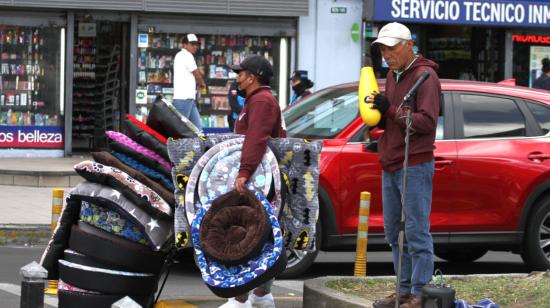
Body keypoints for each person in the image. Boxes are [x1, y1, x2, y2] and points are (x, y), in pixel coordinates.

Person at [367, 22, 441, 308]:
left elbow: (426, 123)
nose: (386, 53)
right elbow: (396, 119)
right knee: (393, 232)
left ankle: (419, 293)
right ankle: (403, 288)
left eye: (391, 47)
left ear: (409, 45)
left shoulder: (425, 76)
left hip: (415, 162)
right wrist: (377, 120)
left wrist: (391, 110)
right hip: (393, 160)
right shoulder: (392, 75)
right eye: (382, 49)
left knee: (415, 231)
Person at [219, 55, 286, 308]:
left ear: (253, 77)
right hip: (260, 175)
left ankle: (242, 299)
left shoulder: (261, 101)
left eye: (241, 73)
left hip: (258, 177)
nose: (237, 77)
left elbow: (256, 138)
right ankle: (261, 295)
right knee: (261, 235)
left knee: (251, 236)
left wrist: (244, 172)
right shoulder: (258, 100)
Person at [173, 33, 206, 129]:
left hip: (187, 99)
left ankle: (199, 144)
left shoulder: (181, 55)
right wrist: (202, 83)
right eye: (192, 44)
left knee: (197, 128)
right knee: (181, 129)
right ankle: (175, 144)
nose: (195, 47)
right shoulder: (186, 55)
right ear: (184, 45)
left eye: (196, 44)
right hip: (184, 99)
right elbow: (196, 73)